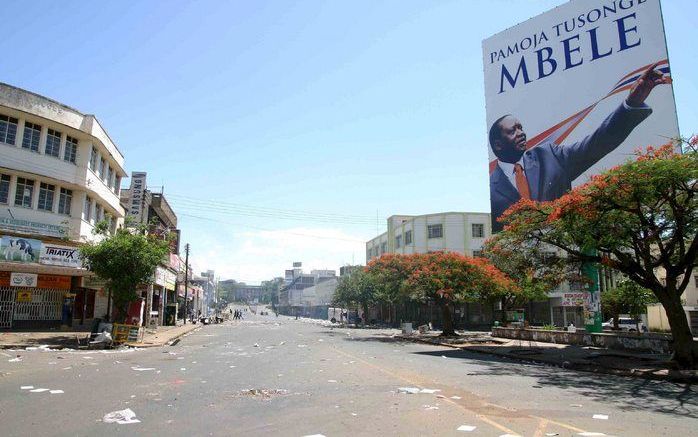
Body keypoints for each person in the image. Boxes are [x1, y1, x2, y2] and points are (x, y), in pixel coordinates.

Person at [489, 63, 670, 232]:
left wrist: (632, 103)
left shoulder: (550, 156)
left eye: (521, 127)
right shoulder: (492, 188)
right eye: (513, 131)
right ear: (498, 144)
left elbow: (598, 143)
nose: (521, 133)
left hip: (567, 250)